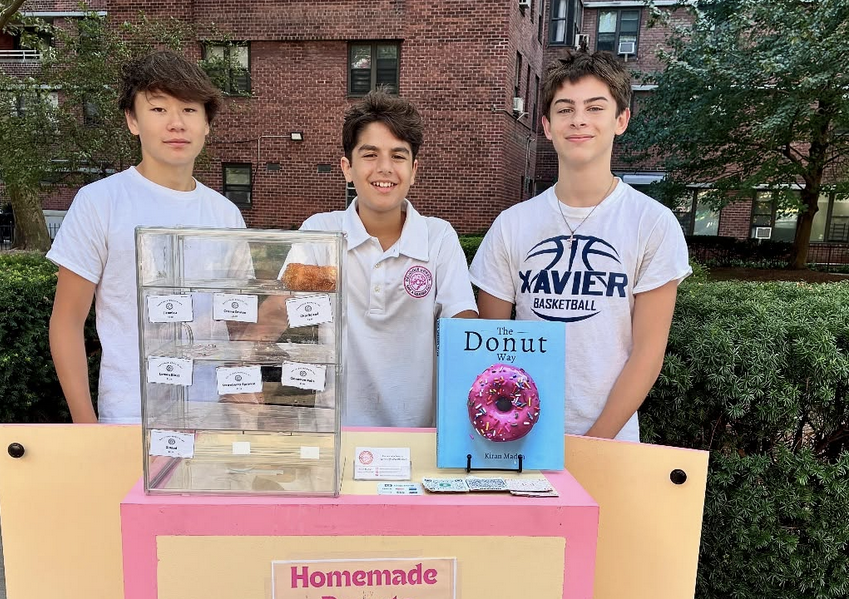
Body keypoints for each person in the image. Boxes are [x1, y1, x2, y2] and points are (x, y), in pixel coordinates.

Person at [470, 49, 690, 441]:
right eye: (565, 108)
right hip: (516, 438)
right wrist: (506, 426)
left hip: (610, 442)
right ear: (547, 125)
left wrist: (595, 443)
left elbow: (648, 354)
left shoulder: (652, 223)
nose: (579, 120)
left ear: (621, 120)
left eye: (595, 107)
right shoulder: (512, 225)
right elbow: (490, 344)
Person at [47, 51, 246, 424]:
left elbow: (236, 324)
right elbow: (67, 322)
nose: (176, 124)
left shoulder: (225, 215)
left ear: (207, 124)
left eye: (189, 110)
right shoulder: (100, 202)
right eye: (158, 110)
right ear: (132, 120)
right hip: (129, 418)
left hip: (214, 416)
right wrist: (87, 427)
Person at [290, 90, 478, 428]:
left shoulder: (439, 237)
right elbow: (283, 309)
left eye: (398, 155)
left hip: (419, 435)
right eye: (370, 154)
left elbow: (462, 323)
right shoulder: (321, 231)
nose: (385, 168)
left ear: (414, 169)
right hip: (336, 435)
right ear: (347, 167)